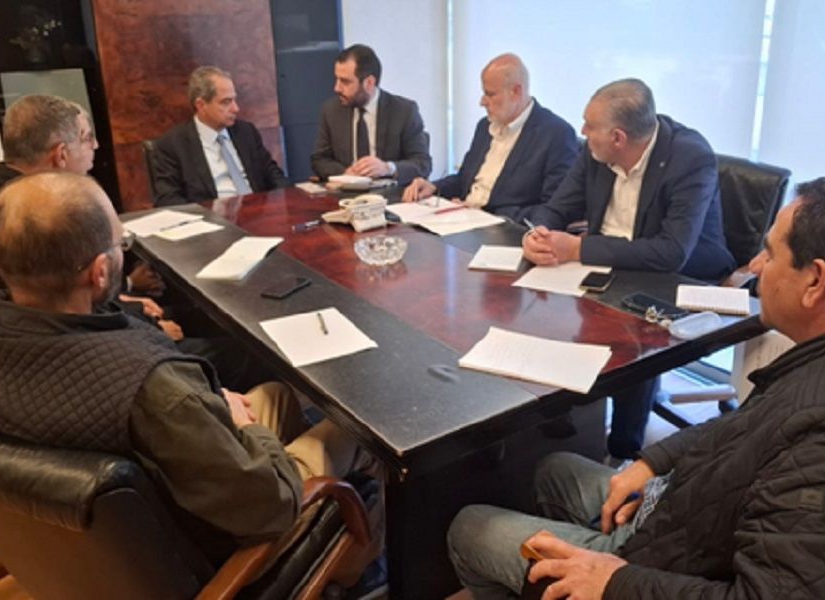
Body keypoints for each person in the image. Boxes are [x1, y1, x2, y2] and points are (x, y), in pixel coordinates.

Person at [448, 177, 825, 600]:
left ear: (815, 280)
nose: (755, 266)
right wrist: (656, 460)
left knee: (469, 528)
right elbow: (751, 429)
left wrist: (615, 581)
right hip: (687, 516)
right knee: (553, 469)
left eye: (770, 254)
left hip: (660, 567)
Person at [0, 172, 375, 564]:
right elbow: (271, 506)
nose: (123, 251)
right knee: (359, 429)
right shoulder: (153, 389)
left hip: (91, 547)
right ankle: (353, 565)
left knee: (277, 396)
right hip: (217, 544)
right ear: (100, 272)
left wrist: (207, 406)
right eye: (121, 245)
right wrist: (246, 429)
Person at [525, 78, 736, 461]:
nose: (583, 131)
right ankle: (554, 419)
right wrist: (536, 234)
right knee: (540, 306)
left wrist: (578, 248)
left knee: (633, 338)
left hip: (677, 273)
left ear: (618, 138)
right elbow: (557, 207)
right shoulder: (595, 152)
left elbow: (671, 252)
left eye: (590, 126)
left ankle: (623, 452)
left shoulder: (690, 157)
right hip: (609, 263)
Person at [0, 94, 164, 311]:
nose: (96, 145)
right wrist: (138, 312)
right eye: (87, 138)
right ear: (61, 155)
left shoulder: (0, 198)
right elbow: (63, 311)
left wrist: (127, 292)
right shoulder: (38, 217)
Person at [402, 54, 579, 222]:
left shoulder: (556, 134)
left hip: (503, 230)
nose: (482, 102)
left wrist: (484, 214)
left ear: (516, 91)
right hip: (464, 221)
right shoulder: (485, 126)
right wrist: (434, 187)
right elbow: (465, 179)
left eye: (490, 94)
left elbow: (553, 209)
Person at [152, 66, 290, 206]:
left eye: (234, 100)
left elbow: (273, 174)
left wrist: (288, 201)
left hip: (257, 212)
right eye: (226, 102)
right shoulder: (172, 145)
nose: (236, 109)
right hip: (211, 216)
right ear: (201, 105)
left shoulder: (246, 132)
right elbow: (168, 199)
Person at [311, 44, 431, 185]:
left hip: (390, 194)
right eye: (337, 79)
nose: (337, 88)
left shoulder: (404, 111)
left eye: (345, 82)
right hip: (345, 193)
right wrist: (345, 172)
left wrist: (387, 168)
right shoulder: (331, 110)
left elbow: (422, 164)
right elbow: (319, 159)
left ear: (369, 83)